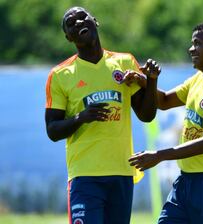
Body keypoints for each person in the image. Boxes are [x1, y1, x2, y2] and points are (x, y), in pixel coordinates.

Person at [45, 6, 160, 224]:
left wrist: (151, 81)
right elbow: (52, 130)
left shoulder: (125, 62)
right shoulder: (60, 75)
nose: (78, 22)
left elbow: (146, 115)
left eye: (82, 17)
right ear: (68, 38)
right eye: (71, 23)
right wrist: (81, 117)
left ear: (95, 21)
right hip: (85, 175)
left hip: (122, 172)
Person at [128, 21, 203, 224]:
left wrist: (159, 155)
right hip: (184, 182)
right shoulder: (197, 80)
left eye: (197, 43)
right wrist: (148, 80)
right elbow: (164, 101)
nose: (191, 49)